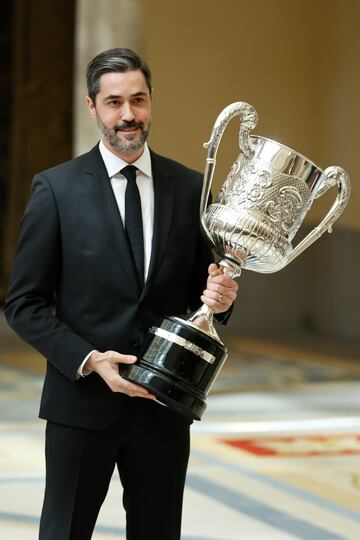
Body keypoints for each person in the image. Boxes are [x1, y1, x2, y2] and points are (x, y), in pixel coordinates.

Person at [4, 48, 238, 540]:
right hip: (81, 405)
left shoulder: (193, 188)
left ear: (151, 101)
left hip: (163, 407)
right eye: (114, 102)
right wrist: (89, 359)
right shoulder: (56, 190)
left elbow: (209, 289)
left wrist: (222, 298)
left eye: (138, 99)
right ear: (92, 107)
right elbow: (23, 304)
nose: (128, 114)